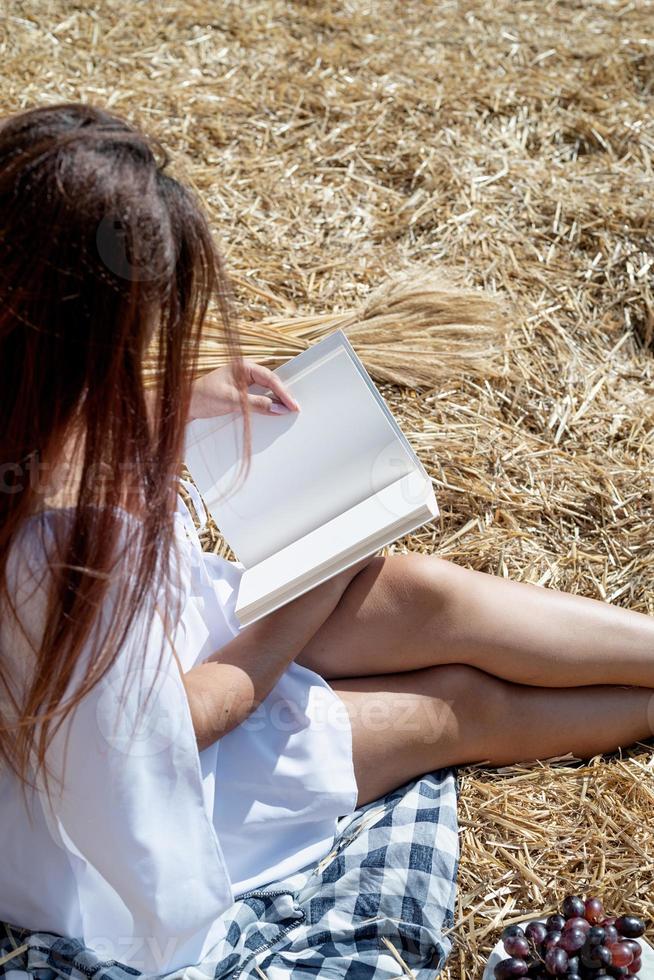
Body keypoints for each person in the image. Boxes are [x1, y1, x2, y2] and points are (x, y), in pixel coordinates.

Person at [0, 103, 652, 976]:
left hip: (110, 667)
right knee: (451, 707)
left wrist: (177, 396)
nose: (145, 356)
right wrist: (306, 592)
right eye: (130, 345)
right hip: (94, 808)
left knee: (420, 593)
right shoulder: (56, 561)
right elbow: (164, 734)